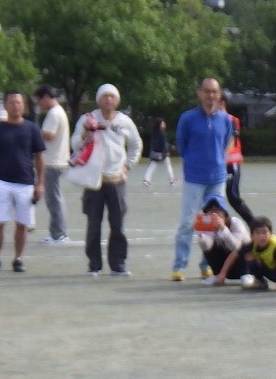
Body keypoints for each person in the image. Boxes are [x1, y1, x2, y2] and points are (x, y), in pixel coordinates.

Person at [72, 83, 142, 277]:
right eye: (105, 96)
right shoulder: (88, 119)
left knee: (118, 224)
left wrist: (128, 165)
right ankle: (94, 265)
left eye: (112, 96)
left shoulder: (125, 121)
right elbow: (75, 143)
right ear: (98, 99)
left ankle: (118, 264)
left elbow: (136, 144)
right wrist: (86, 131)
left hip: (116, 179)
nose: (108, 100)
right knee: (93, 224)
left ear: (117, 100)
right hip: (93, 179)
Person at [172, 78, 233, 281]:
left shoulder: (225, 120)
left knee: (215, 222)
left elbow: (226, 142)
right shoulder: (187, 118)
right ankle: (179, 266)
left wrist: (219, 161)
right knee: (188, 222)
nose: (211, 95)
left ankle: (207, 264)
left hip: (217, 177)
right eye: (207, 91)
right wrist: (191, 161)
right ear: (199, 93)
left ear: (219, 94)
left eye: (214, 92)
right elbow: (182, 144)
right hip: (194, 177)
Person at [0, 90, 46, 274]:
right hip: (2, 181)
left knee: (22, 224)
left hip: (25, 182)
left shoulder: (32, 128)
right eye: (11, 102)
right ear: (5, 105)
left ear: (24, 105)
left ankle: (18, 258)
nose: (15, 105)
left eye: (18, 102)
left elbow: (40, 157)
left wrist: (40, 183)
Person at [34, 84, 71, 244]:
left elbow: (49, 135)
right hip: (57, 160)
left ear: (46, 97)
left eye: (39, 101)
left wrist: (33, 134)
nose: (39, 105)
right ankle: (56, 232)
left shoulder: (54, 114)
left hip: (53, 161)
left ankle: (59, 233)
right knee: (53, 198)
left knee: (54, 198)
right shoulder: (58, 112)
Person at [198, 196, 250, 285]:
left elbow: (235, 247)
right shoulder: (208, 225)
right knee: (209, 247)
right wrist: (202, 236)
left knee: (243, 246)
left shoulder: (236, 223)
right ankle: (216, 274)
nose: (214, 215)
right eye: (211, 211)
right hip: (224, 267)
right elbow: (207, 247)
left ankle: (246, 275)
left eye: (217, 211)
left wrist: (223, 228)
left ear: (225, 213)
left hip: (243, 264)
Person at [233, 215, 276, 292]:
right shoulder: (253, 244)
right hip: (269, 270)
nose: (262, 236)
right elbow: (234, 254)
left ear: (271, 233)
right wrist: (222, 274)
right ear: (252, 236)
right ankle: (260, 282)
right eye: (258, 233)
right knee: (248, 255)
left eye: (265, 232)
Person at [219, 97, 252, 223]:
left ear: (222, 103)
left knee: (233, 197)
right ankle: (221, 226)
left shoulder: (231, 120)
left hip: (230, 164)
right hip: (218, 165)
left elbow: (232, 140)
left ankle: (253, 224)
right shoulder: (211, 121)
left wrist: (222, 158)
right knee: (215, 197)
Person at [143, 117, 175, 187]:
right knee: (168, 166)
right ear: (159, 125)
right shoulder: (162, 133)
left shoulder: (154, 132)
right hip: (162, 153)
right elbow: (163, 144)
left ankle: (146, 180)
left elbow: (156, 143)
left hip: (154, 153)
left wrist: (169, 146)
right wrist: (167, 151)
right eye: (162, 123)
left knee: (152, 166)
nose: (164, 124)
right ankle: (172, 181)